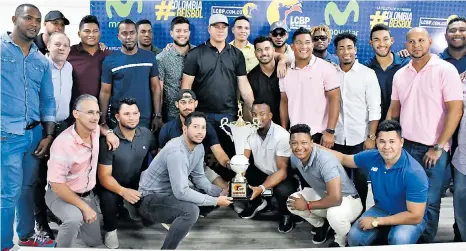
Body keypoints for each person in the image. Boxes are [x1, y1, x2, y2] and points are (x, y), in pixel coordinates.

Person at [387, 27, 463, 243]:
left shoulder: (444, 70)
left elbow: (456, 110)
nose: (416, 45)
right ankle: (405, 239)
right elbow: (394, 109)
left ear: (430, 42)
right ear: (406, 44)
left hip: (434, 149)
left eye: (421, 40)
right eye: (411, 41)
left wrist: (438, 146)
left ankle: (424, 243)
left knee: (429, 202)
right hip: (406, 147)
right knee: (405, 197)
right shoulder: (401, 73)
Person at [1, 4, 57, 249]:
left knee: (28, 188)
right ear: (14, 19)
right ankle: (3, 243)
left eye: (38, 20)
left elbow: (48, 100)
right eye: (28, 18)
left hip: (34, 135)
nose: (34, 23)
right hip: (6, 134)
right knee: (8, 192)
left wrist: (48, 134)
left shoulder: (40, 60)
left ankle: (26, 236)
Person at [323, 120, 429, 245]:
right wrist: (313, 146)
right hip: (382, 209)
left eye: (392, 141)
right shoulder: (373, 156)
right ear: (376, 142)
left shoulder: (414, 172)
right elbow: (343, 158)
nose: (386, 147)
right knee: (354, 237)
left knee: (399, 239)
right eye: (382, 141)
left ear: (401, 142)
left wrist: (376, 221)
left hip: (407, 215)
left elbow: (416, 216)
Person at [138, 112, 233, 249]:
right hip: (149, 199)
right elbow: (181, 193)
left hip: (170, 194)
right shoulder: (176, 152)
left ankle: (178, 218)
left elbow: (199, 178)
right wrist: (215, 201)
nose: (200, 132)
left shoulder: (199, 148)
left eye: (203, 127)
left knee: (212, 194)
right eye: (195, 127)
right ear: (185, 129)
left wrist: (220, 192)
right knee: (191, 211)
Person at [181, 13, 254, 158]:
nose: (220, 30)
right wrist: (185, 119)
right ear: (209, 29)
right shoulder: (195, 54)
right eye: (216, 26)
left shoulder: (237, 55)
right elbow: (186, 88)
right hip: (202, 115)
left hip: (230, 115)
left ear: (228, 30)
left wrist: (253, 112)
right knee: (200, 157)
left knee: (230, 156)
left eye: (223, 27)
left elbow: (244, 86)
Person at [286, 124, 363, 247]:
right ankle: (321, 225)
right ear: (290, 144)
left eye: (304, 142)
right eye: (294, 143)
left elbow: (336, 199)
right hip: (324, 195)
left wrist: (306, 205)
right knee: (292, 201)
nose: (299, 147)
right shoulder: (295, 158)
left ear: (311, 143)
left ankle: (341, 240)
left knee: (334, 215)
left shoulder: (325, 161)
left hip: (347, 200)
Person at [97, 98, 157, 249]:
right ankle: (110, 230)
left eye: (135, 113)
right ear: (117, 116)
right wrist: (123, 192)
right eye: (127, 114)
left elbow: (157, 157)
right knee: (108, 196)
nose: (132, 117)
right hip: (112, 184)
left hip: (136, 181)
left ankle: (132, 206)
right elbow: (104, 177)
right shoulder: (108, 142)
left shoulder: (147, 134)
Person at [45, 94, 102, 248]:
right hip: (60, 194)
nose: (95, 117)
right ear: (76, 114)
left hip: (86, 195)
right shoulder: (63, 144)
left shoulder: (95, 129)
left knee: (95, 242)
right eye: (90, 112)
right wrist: (84, 209)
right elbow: (57, 185)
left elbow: (100, 128)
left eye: (97, 112)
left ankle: (64, 214)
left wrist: (109, 134)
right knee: (74, 219)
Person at [333, 32, 381, 212]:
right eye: (341, 48)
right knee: (340, 180)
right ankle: (343, 214)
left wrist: (371, 136)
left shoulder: (367, 74)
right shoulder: (330, 72)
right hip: (337, 137)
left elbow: (374, 108)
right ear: (336, 51)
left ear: (356, 50)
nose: (346, 52)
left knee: (361, 180)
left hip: (361, 138)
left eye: (349, 47)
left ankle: (360, 214)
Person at [34, 31, 73, 239]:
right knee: (39, 177)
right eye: (57, 44)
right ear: (48, 45)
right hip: (41, 127)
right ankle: (40, 222)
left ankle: (56, 213)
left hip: (63, 127)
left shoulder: (69, 67)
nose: (61, 48)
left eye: (65, 45)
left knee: (59, 176)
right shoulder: (39, 65)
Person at [240, 101, 298, 233]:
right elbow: (243, 160)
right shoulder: (249, 132)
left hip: (280, 174)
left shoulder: (281, 135)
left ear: (270, 115)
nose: (257, 118)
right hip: (261, 171)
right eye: (254, 114)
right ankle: (258, 203)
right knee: (241, 175)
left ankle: (286, 215)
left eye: (262, 114)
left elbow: (282, 171)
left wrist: (261, 188)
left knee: (283, 190)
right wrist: (239, 179)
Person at [279, 27, 340, 148]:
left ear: (312, 45)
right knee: (296, 167)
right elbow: (284, 101)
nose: (303, 46)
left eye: (307, 42)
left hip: (319, 135)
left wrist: (330, 131)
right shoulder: (285, 71)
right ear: (292, 47)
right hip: (295, 134)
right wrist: (284, 129)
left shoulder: (327, 68)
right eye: (299, 43)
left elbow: (335, 100)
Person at [158, 90, 230, 190]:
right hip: (176, 170)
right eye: (183, 102)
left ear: (195, 104)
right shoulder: (167, 128)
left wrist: (230, 164)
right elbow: (160, 158)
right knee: (193, 194)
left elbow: (219, 152)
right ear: (177, 104)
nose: (187, 106)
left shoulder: (206, 127)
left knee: (225, 189)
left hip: (199, 168)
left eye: (190, 102)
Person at [100, 19, 162, 131]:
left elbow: (156, 87)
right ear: (118, 36)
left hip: (145, 119)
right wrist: (103, 121)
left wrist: (157, 115)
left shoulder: (149, 57)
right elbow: (105, 92)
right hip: (119, 121)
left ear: (137, 34)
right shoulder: (109, 61)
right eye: (124, 33)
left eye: (132, 33)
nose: (128, 37)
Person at [446, 16, 466, 242]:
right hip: (442, 139)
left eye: (462, 29)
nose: (458, 33)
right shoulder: (435, 60)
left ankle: (461, 233)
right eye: (453, 30)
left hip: (464, 140)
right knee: (457, 193)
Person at [363, 24, 410, 121]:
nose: (381, 44)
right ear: (370, 43)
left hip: (401, 126)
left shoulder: (406, 64)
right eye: (376, 40)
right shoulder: (366, 68)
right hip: (374, 127)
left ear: (392, 40)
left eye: (385, 39)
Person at [156, 16, 194, 122]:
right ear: (171, 33)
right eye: (178, 31)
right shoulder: (162, 58)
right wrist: (158, 115)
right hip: (172, 115)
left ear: (189, 33)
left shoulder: (198, 53)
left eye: (185, 31)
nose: (182, 34)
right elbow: (159, 90)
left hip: (196, 113)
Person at [68, 15, 112, 105]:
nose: (91, 35)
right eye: (87, 31)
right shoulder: (69, 53)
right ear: (79, 34)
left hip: (101, 112)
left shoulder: (108, 54)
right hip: (76, 112)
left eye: (95, 31)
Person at [247, 36, 281, 125]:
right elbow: (248, 106)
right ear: (255, 53)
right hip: (262, 128)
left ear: (273, 50)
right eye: (259, 50)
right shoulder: (251, 77)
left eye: (267, 49)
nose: (263, 53)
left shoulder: (285, 70)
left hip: (286, 126)